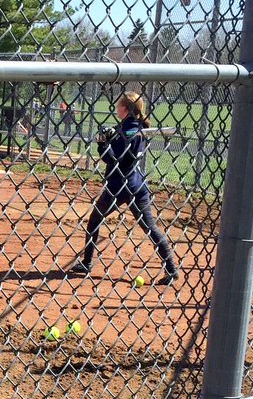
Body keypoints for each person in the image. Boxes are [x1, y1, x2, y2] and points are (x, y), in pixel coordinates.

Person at [69, 90, 177, 283]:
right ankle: (171, 268)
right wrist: (111, 134)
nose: (116, 108)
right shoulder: (133, 128)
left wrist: (102, 144)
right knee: (150, 228)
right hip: (137, 186)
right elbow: (119, 141)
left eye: (119, 105)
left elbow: (112, 158)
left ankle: (86, 262)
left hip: (118, 187)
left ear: (125, 109)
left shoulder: (132, 132)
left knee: (94, 220)